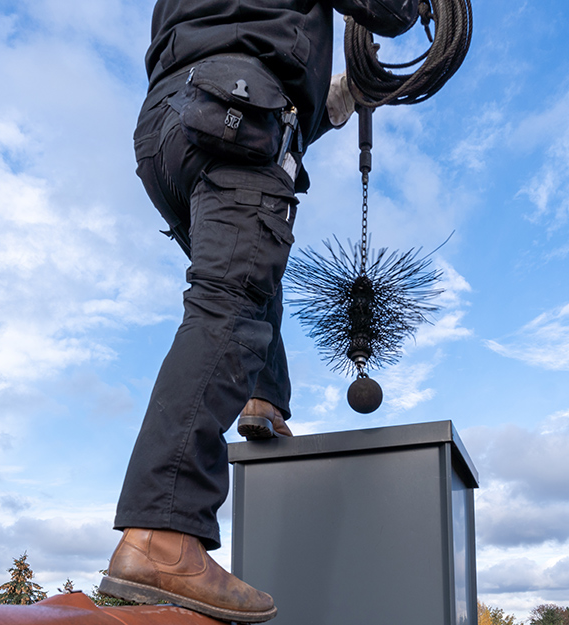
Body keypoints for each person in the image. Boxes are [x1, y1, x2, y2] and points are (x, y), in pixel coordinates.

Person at [99, 0, 418, 622]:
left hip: (171, 128)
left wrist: (343, 93)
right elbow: (390, 11)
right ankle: (161, 538)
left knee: (247, 276)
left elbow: (251, 42)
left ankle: (262, 400)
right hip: (233, 110)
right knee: (232, 298)